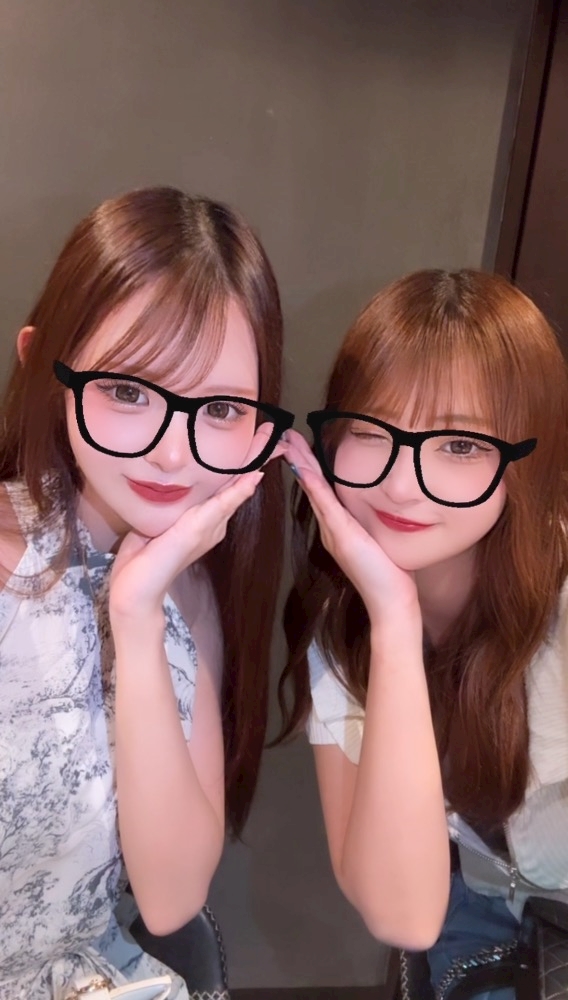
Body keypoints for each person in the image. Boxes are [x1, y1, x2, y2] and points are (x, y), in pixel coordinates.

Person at [0, 186, 292, 999]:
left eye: (221, 408)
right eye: (129, 391)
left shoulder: (186, 591)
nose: (173, 451)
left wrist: (135, 616)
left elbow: (171, 898)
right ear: (43, 364)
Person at [274, 269, 568, 999]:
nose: (402, 485)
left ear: (527, 460)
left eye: (460, 445)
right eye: (371, 432)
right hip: (482, 923)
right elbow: (399, 913)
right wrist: (395, 624)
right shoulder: (344, 619)